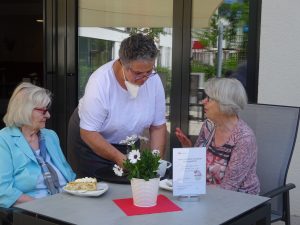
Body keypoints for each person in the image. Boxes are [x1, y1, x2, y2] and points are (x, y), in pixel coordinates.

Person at [68, 33, 167, 177]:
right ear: (122, 63)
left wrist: (155, 163)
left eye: (149, 71)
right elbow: (89, 132)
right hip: (91, 140)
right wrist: (118, 158)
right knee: (99, 187)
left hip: (127, 142)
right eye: (138, 73)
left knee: (132, 187)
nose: (144, 78)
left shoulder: (154, 80)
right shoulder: (100, 82)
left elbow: (158, 127)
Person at [175, 78, 260, 195]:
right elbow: (196, 169)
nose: (203, 102)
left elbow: (229, 188)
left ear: (224, 103)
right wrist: (188, 148)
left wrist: (195, 190)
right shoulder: (208, 126)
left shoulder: (244, 138)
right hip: (205, 194)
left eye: (209, 99)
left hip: (239, 202)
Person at [0, 82, 76, 208]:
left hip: (67, 201)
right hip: (34, 210)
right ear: (25, 111)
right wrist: (44, 205)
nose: (48, 115)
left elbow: (68, 174)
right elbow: (3, 191)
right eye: (43, 111)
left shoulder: (50, 136)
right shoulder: (4, 140)